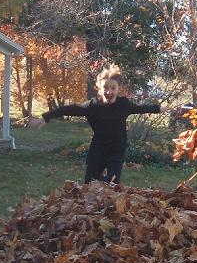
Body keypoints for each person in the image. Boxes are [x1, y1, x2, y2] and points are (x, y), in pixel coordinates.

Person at [33, 65, 161, 184]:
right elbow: (70, 109)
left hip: (117, 152)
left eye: (113, 88)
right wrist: (46, 117)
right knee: (89, 185)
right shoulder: (92, 106)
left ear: (118, 89)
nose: (109, 92)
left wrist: (159, 108)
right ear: (99, 88)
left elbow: (142, 108)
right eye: (105, 87)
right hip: (98, 150)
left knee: (112, 185)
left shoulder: (124, 105)